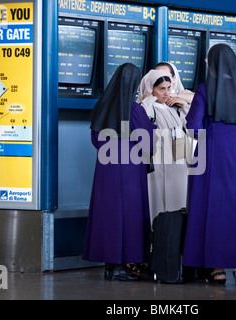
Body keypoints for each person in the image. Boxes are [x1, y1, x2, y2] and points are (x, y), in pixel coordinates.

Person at [182, 44, 236, 285]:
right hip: (235, 157)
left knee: (209, 210)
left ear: (212, 64)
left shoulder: (204, 90)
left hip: (208, 153)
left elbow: (193, 127)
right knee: (235, 210)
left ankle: (216, 269)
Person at [82, 63, 156, 281]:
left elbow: (96, 139)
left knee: (108, 214)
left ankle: (110, 265)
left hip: (106, 170)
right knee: (131, 214)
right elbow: (148, 143)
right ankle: (125, 265)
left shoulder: (102, 106)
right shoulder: (135, 110)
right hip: (132, 168)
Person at [137, 69, 190, 224]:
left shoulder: (173, 108)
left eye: (168, 88)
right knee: (159, 205)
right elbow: (142, 123)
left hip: (178, 164)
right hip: (159, 166)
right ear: (150, 89)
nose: (167, 93)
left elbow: (191, 126)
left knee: (179, 203)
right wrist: (148, 99)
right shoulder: (146, 107)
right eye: (162, 89)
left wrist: (184, 104)